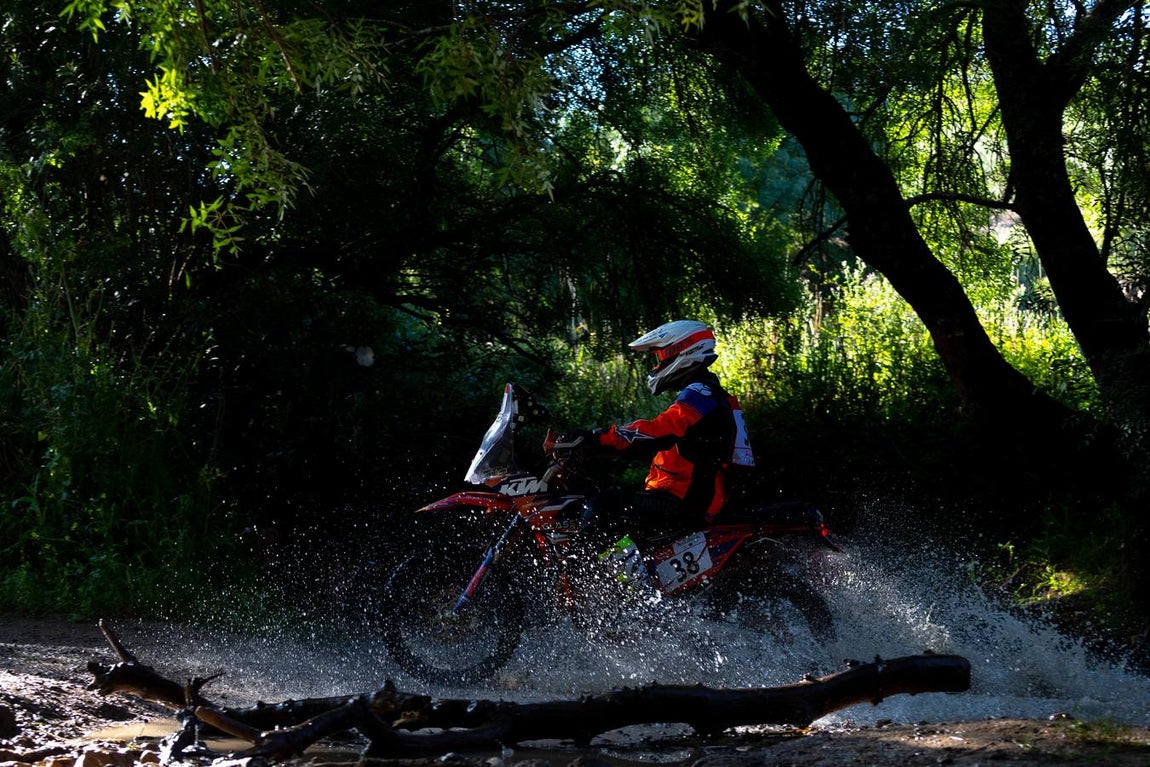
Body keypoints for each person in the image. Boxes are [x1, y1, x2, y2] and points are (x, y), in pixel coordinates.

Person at [561, 320, 756, 543]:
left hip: (687, 503)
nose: (657, 366)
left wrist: (596, 438)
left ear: (681, 352)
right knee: (613, 501)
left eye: (660, 358)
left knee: (602, 508)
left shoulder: (701, 393)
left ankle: (602, 579)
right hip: (690, 498)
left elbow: (658, 432)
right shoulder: (710, 394)